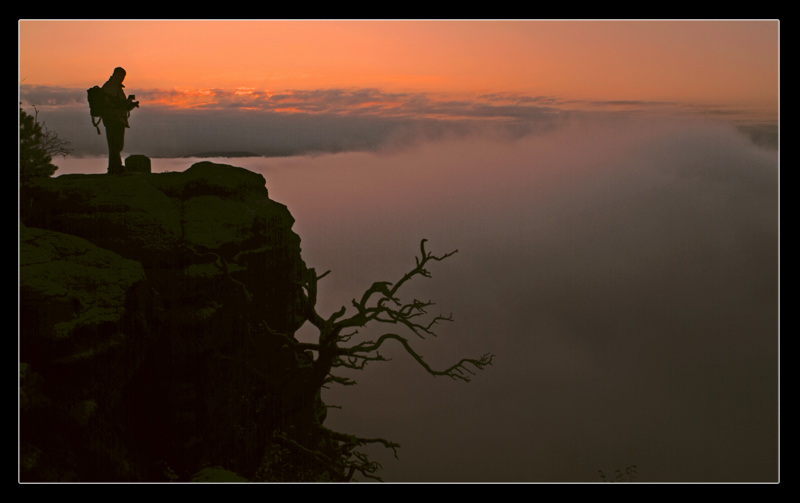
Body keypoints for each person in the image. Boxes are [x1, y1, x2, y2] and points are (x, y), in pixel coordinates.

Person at [101, 67, 138, 171]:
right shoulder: (109, 86)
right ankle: (114, 167)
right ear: (116, 75)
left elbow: (120, 105)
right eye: (121, 76)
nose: (122, 78)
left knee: (117, 144)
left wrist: (130, 104)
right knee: (114, 144)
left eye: (123, 77)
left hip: (118, 119)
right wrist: (126, 103)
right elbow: (113, 102)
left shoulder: (116, 87)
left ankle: (115, 166)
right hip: (112, 119)